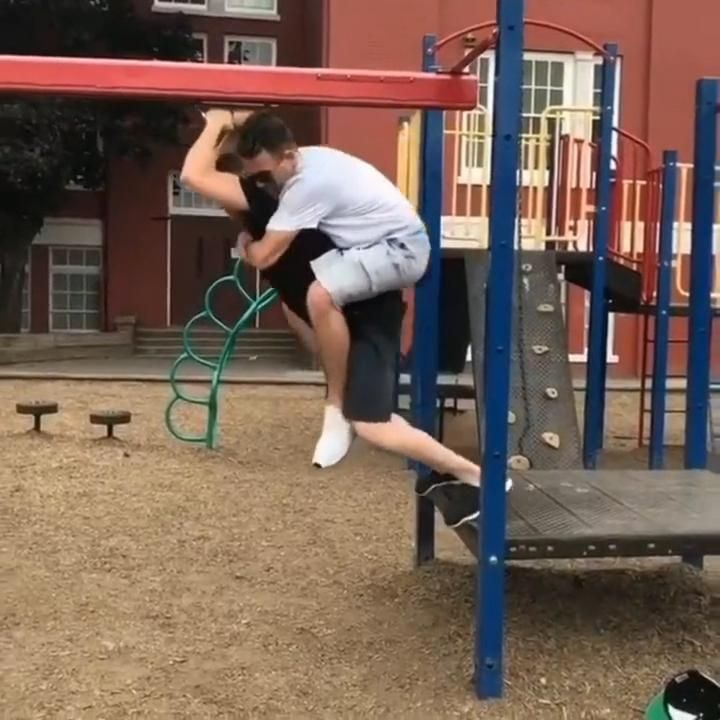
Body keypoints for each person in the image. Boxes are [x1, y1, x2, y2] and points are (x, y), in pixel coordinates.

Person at [180, 108, 512, 529]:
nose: (264, 183)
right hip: (369, 280)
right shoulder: (285, 190)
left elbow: (195, 179)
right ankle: (461, 472)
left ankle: (476, 475)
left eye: (262, 175)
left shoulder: (278, 195)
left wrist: (217, 124)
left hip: (390, 268)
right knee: (311, 308)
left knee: (370, 421)